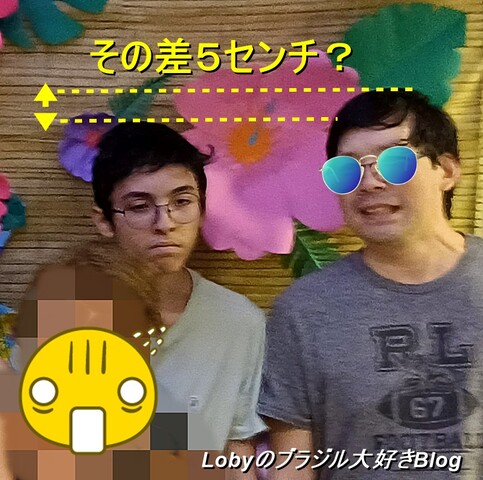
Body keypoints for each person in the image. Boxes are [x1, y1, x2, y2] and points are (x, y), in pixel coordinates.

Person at [3, 121, 266, 479]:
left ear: (202, 209)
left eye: (182, 202)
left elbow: (236, 448)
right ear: (104, 221)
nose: (165, 223)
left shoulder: (238, 322)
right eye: (140, 206)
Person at [258, 90, 483, 479]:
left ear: (446, 171)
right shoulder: (304, 311)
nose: (369, 183)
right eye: (347, 170)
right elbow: (292, 465)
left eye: (394, 161)